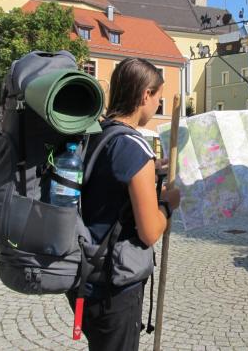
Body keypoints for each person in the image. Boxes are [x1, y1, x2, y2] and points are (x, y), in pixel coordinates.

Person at [65, 57, 181, 351]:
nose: (157, 106)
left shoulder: (97, 134)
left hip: (86, 274)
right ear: (144, 95)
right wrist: (167, 204)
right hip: (115, 287)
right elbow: (150, 232)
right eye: (157, 98)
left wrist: (152, 170)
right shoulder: (133, 146)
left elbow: (108, 184)